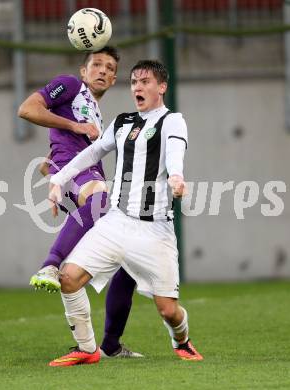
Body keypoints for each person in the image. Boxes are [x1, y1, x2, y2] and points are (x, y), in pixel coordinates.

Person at [47, 59, 203, 367]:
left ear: (162, 87)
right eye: (134, 83)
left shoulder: (173, 121)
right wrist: (58, 179)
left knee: (168, 310)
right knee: (68, 278)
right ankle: (88, 349)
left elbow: (174, 152)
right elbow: (91, 152)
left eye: (145, 82)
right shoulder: (121, 122)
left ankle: (181, 340)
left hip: (154, 230)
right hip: (116, 223)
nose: (138, 88)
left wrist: (176, 176)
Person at [18, 46, 142, 358]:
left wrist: (51, 160)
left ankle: (109, 345)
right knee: (99, 203)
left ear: (114, 79)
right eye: (96, 64)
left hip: (84, 170)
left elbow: (68, 132)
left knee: (129, 260)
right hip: (77, 170)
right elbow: (27, 109)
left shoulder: (95, 110)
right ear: (83, 71)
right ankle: (50, 265)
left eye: (110, 67)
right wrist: (73, 130)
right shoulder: (71, 85)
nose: (103, 70)